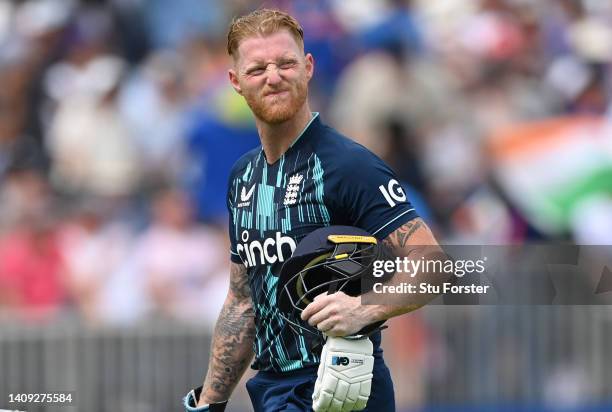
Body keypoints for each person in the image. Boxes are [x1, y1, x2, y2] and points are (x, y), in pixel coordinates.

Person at [186, 9, 442, 412]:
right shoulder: (243, 178)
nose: (274, 76)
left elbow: (433, 264)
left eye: (286, 63)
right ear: (235, 81)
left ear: (307, 68)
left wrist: (364, 308)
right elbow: (242, 302)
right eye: (257, 69)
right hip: (273, 393)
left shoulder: (348, 165)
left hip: (345, 394)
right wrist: (209, 401)